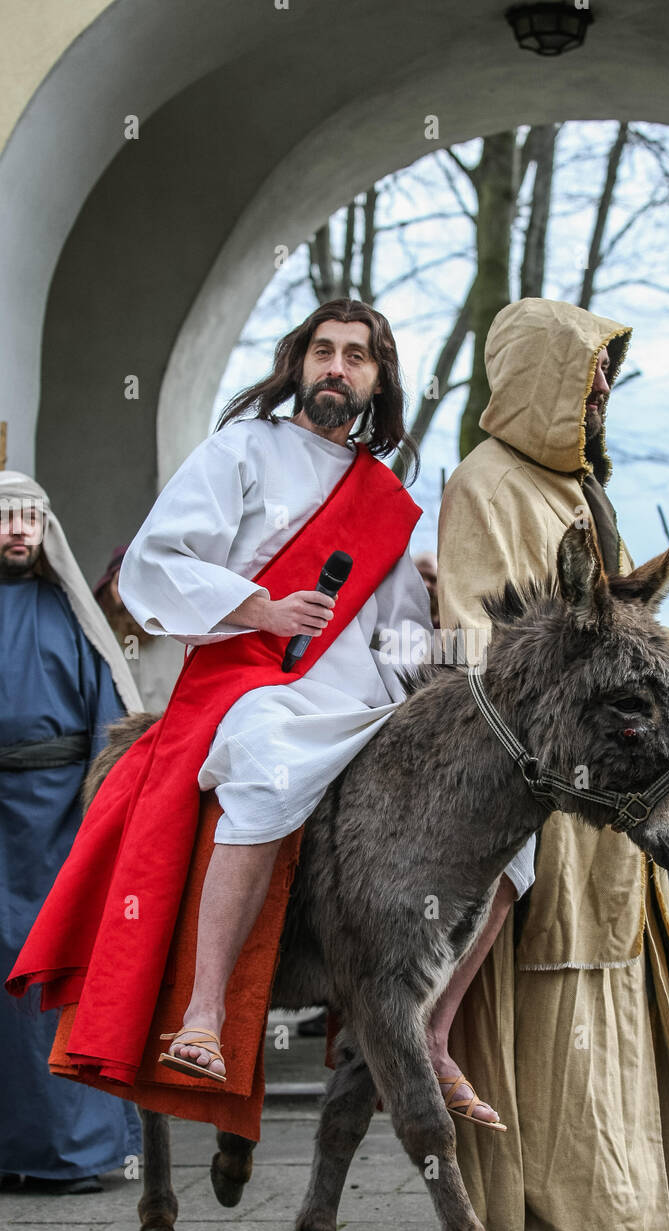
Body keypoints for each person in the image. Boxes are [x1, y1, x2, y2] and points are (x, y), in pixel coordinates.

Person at [114, 300, 536, 1084]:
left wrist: (458, 665)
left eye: (357, 356)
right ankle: (205, 1013)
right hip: (258, 680)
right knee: (271, 763)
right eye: (323, 351)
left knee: (511, 813)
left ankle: (435, 1035)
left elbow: (401, 636)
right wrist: (261, 607)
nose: (336, 367)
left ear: (378, 382)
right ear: (299, 363)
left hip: (366, 698)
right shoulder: (241, 449)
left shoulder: (379, 494)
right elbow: (157, 561)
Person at [434, 297, 669, 1231]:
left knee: (613, 982)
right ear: (537, 375)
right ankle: (519, 1220)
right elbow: (472, 637)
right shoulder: (482, 485)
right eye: (587, 369)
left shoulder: (583, 494)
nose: (600, 387)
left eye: (603, 371)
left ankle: (632, 1203)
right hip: (543, 777)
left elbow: (604, 618)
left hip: (613, 778)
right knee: (536, 988)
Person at [0, 471, 142, 1193]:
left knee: (58, 970)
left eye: (29, 518)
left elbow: (108, 725)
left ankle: (77, 1151)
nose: (17, 530)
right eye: (5, 519)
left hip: (61, 823)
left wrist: (95, 818)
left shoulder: (73, 617)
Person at [94, 544, 185, 712]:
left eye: (134, 583)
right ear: (109, 590)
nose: (128, 593)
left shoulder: (181, 632)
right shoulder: (103, 636)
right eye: (120, 583)